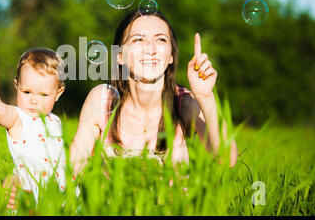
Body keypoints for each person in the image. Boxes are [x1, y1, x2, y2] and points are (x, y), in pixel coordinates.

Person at [69, 9, 238, 176]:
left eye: (161, 40)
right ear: (120, 56)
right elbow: (75, 165)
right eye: (138, 40)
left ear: (171, 55)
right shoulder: (102, 99)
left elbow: (227, 159)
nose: (151, 49)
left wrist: (205, 97)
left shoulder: (182, 101)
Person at [0, 48, 67, 209]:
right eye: (27, 92)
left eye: (43, 95)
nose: (34, 100)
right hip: (28, 199)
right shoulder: (18, 118)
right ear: (17, 86)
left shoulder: (55, 121)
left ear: (58, 93)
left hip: (60, 198)